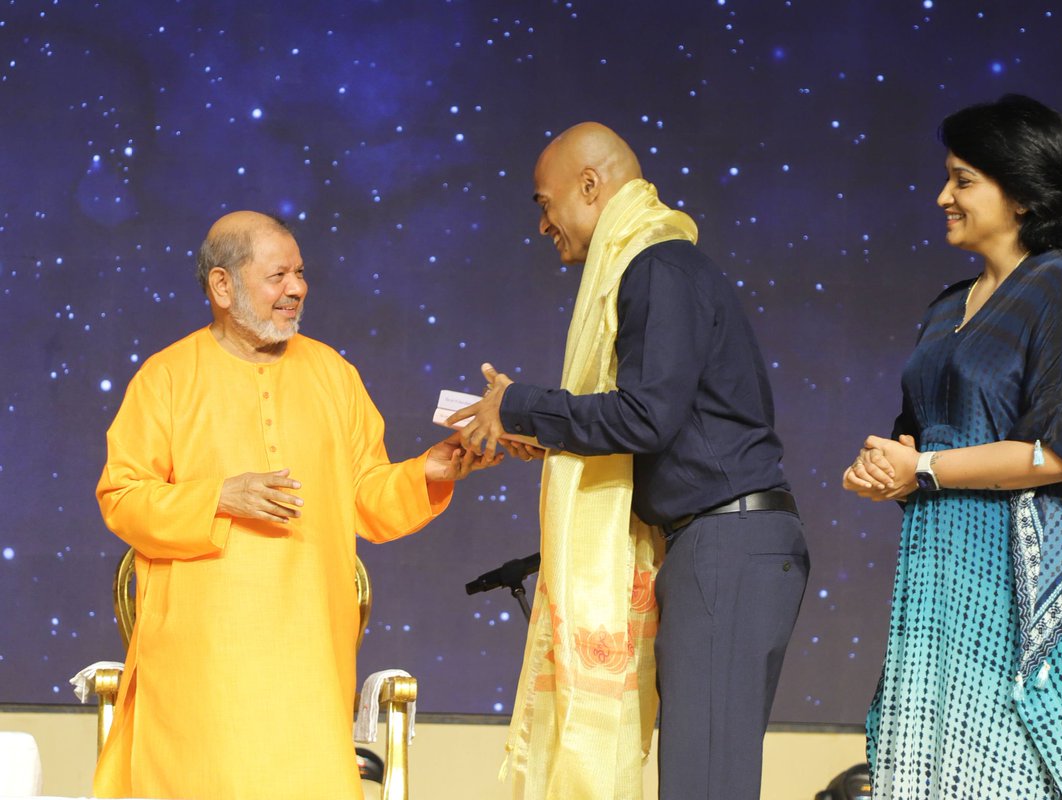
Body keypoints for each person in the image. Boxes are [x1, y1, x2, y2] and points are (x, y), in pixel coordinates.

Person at [449, 122, 809, 800]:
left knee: (704, 784)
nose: (541, 224)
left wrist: (524, 405)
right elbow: (659, 419)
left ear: (590, 186)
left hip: (728, 545)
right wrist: (550, 436)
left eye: (542, 202)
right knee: (698, 779)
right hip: (715, 545)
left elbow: (646, 415)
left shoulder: (656, 266)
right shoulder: (651, 267)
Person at [93, 211, 495, 799]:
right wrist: (217, 497)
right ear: (222, 287)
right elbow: (122, 499)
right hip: (203, 663)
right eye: (278, 275)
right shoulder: (167, 378)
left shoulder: (333, 374)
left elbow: (367, 500)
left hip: (308, 654)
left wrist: (428, 471)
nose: (297, 289)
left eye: (300, 274)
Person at [843, 95, 1062, 799]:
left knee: (1013, 768)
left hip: (1026, 569)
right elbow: (918, 432)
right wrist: (885, 467)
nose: (942, 197)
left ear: (1017, 191)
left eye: (962, 180)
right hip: (943, 562)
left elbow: (1060, 451)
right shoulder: (947, 306)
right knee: (938, 762)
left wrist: (923, 468)